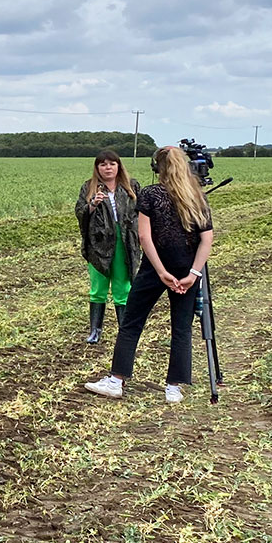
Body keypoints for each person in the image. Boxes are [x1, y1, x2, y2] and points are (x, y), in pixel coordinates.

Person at [85, 145, 213, 403]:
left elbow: (145, 237)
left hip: (154, 268)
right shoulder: (197, 196)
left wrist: (161, 271)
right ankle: (173, 388)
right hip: (186, 268)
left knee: (132, 323)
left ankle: (116, 380)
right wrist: (193, 274)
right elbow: (207, 239)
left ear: (158, 168)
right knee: (181, 328)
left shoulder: (152, 194)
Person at [74, 149, 140, 343]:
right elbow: (80, 212)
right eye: (103, 164)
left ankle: (124, 330)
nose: (107, 168)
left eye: (111, 163)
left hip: (125, 241)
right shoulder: (89, 187)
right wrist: (92, 205)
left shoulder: (131, 186)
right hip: (98, 243)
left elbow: (141, 213)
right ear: (97, 168)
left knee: (123, 287)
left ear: (119, 166)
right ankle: (95, 331)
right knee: (98, 287)